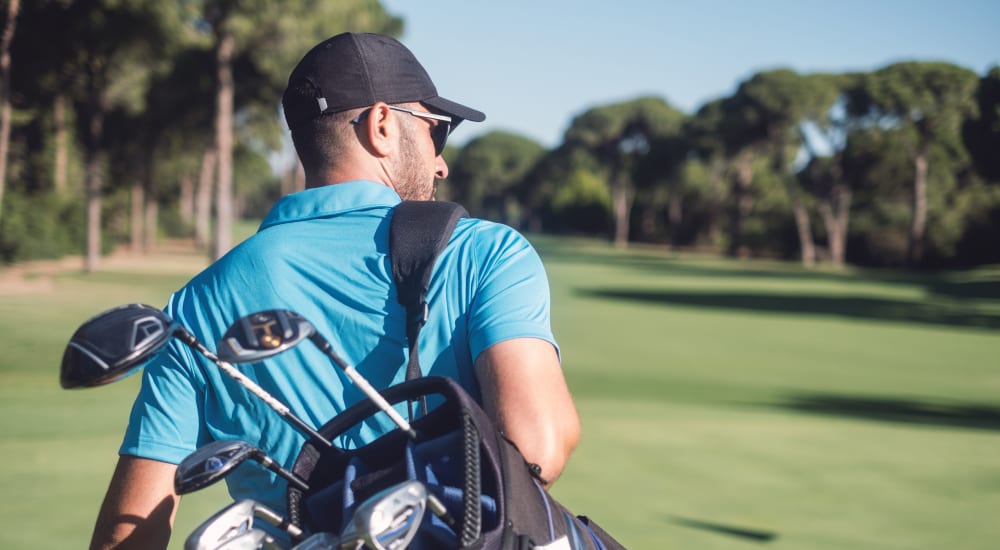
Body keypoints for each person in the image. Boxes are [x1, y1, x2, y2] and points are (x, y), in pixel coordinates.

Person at [89, 32, 581, 550]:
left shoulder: (194, 305)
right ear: (383, 125)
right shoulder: (485, 252)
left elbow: (127, 535)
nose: (442, 163)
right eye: (436, 132)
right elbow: (539, 450)